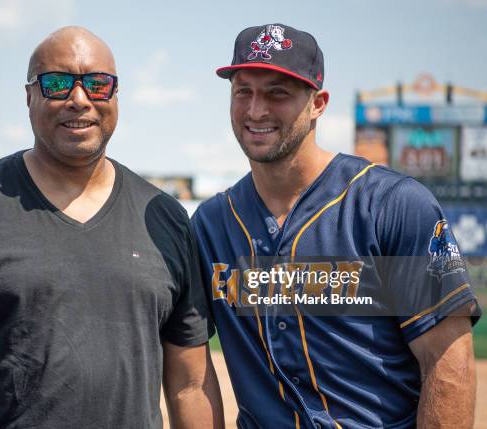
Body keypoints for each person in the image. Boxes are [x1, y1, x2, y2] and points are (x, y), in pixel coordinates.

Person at [0, 27, 223, 429]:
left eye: (98, 84)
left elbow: (190, 385)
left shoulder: (164, 218)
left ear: (115, 96)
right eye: (57, 84)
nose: (79, 100)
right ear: (29, 97)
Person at [191, 23, 481, 428]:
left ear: (318, 103)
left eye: (278, 92)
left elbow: (448, 365)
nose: (256, 110)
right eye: (244, 91)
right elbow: (187, 367)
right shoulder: (211, 225)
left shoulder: (394, 205)